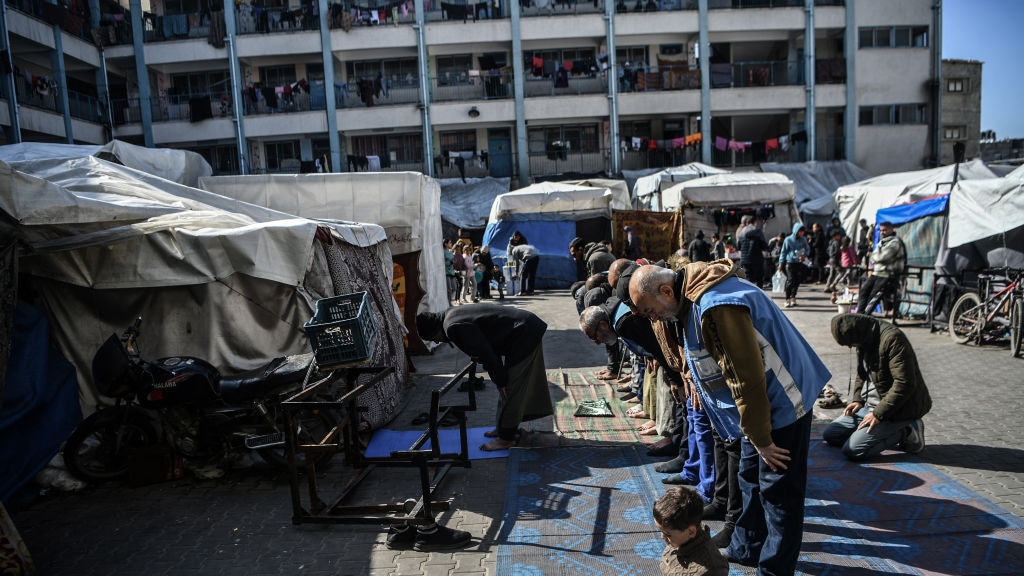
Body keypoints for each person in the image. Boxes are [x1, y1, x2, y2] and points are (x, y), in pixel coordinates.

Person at [629, 261, 831, 575]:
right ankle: (747, 547)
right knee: (749, 476)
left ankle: (774, 570)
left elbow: (747, 379)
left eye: (649, 310)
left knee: (779, 494)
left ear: (666, 291)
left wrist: (762, 439)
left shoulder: (716, 305)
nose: (651, 318)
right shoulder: (691, 297)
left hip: (782, 404)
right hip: (755, 411)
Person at [415, 305, 553, 451]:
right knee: (505, 384)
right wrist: (500, 379)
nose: (437, 342)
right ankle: (503, 428)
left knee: (512, 387)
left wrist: (500, 381)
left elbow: (485, 354)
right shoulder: (449, 314)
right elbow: (489, 347)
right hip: (521, 329)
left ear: (434, 330)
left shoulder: (453, 327)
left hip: (524, 331)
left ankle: (506, 439)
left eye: (433, 339)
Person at [823, 314, 931, 461]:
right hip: (868, 406)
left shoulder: (892, 339)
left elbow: (904, 383)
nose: (850, 347)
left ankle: (908, 429)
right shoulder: (863, 337)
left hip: (896, 410)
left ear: (857, 335)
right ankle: (872, 432)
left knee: (853, 450)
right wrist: (857, 400)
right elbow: (862, 373)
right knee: (831, 435)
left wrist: (878, 414)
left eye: (851, 343)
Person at [653, 486, 731, 576]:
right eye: (660, 531)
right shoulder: (680, 539)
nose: (662, 536)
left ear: (691, 532)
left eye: (667, 534)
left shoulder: (711, 570)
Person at [856, 220, 906, 316]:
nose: (882, 232)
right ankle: (859, 313)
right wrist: (875, 256)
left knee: (874, 296)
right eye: (881, 230)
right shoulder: (882, 242)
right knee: (863, 290)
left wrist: (875, 256)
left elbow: (883, 257)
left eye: (885, 230)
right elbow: (873, 257)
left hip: (887, 274)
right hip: (876, 272)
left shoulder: (895, 243)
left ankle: (864, 316)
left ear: (891, 229)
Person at [777, 222, 810, 308]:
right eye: (800, 231)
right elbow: (783, 252)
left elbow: (807, 249)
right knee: (790, 280)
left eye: (803, 231)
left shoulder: (803, 239)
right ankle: (787, 299)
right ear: (796, 231)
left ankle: (793, 297)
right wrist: (781, 263)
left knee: (797, 280)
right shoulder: (788, 240)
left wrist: (804, 255)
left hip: (800, 262)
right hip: (790, 262)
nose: (802, 233)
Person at [737, 215, 768, 289]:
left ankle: (749, 296)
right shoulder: (758, 231)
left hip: (745, 260)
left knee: (748, 280)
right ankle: (758, 296)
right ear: (755, 222)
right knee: (759, 280)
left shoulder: (741, 232)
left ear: (747, 222)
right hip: (757, 260)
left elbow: (739, 246)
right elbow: (764, 245)